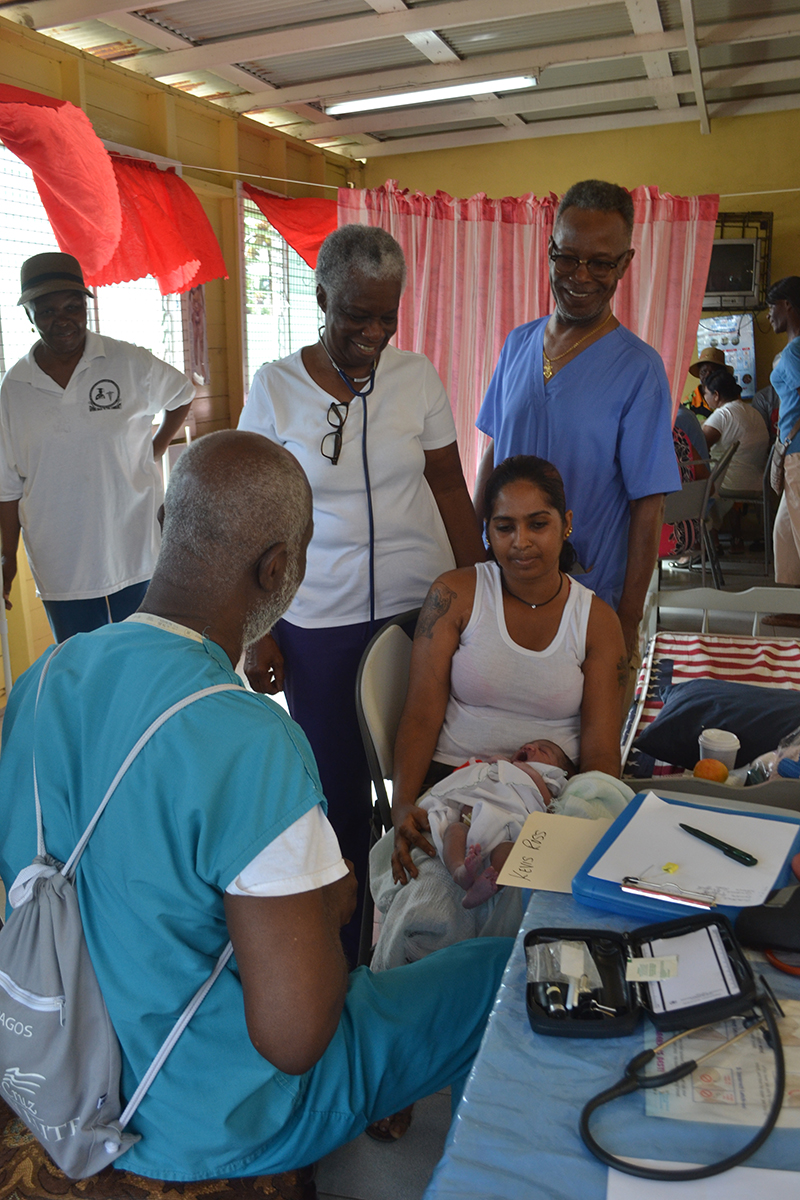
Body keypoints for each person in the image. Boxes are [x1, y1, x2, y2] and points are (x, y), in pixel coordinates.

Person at [0, 430, 512, 1192]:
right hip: (201, 1118)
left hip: (57, 1063)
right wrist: (328, 901)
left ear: (167, 520)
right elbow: (296, 1037)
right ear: (279, 568)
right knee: (497, 970)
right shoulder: (247, 737)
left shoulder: (46, 677)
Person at [238, 224, 484, 960]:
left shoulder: (417, 377)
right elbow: (258, 512)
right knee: (338, 798)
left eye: (388, 315)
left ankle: (434, 939)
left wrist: (486, 592)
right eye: (357, 315)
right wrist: (260, 628)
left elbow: (448, 484)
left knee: (432, 783)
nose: (375, 332)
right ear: (321, 299)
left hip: (424, 612)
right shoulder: (275, 387)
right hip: (320, 624)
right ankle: (343, 959)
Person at [474, 180, 680, 679]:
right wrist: (472, 561)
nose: (580, 275)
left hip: (588, 597)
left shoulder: (638, 369)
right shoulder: (518, 344)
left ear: (625, 265)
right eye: (566, 257)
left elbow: (647, 505)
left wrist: (626, 624)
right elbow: (494, 455)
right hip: (504, 586)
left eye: (600, 262)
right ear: (549, 252)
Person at [391, 454, 627, 888]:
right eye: (504, 527)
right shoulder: (456, 595)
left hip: (550, 796)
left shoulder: (596, 620)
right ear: (488, 530)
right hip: (455, 786)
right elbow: (421, 713)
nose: (521, 542)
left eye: (538, 524)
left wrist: (582, 818)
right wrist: (403, 803)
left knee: (546, 889)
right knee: (432, 893)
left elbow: (600, 756)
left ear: (566, 523)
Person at [0, 252, 194, 642]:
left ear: (86, 307)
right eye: (48, 310)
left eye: (73, 306)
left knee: (142, 658)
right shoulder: (14, 389)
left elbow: (182, 394)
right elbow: (8, 490)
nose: (63, 320)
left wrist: (153, 449)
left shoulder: (126, 361)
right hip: (62, 566)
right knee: (83, 670)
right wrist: (6, 563)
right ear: (29, 316)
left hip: (135, 552)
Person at [419, 738, 576, 908]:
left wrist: (535, 777)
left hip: (506, 831)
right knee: (454, 830)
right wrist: (487, 765)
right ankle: (459, 870)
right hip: (470, 822)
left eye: (543, 751)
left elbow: (549, 808)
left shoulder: (548, 780)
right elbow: (464, 778)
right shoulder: (498, 766)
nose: (529, 747)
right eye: (527, 745)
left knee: (509, 853)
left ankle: (486, 886)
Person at [702, 367, 769, 553]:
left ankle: (711, 542)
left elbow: (699, 447)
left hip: (729, 485)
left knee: (697, 484)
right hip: (757, 484)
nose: (705, 398)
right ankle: (735, 538)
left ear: (716, 395)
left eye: (706, 394)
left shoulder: (722, 415)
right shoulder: (754, 412)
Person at [767, 276, 800, 623]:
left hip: (798, 450)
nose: (769, 316)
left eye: (771, 307)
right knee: (785, 530)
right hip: (793, 448)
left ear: (787, 305)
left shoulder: (793, 352)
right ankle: (794, 607)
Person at [684, 346, 734, 421]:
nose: (707, 375)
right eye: (704, 372)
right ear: (699, 374)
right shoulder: (689, 404)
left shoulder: (731, 397)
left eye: (713, 371)